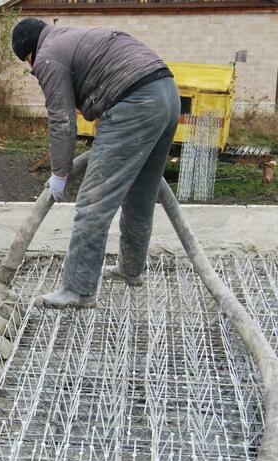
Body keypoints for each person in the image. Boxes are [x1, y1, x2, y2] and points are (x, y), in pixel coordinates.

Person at [11, 18, 180, 308]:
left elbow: (62, 120)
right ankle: (131, 270)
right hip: (166, 95)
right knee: (141, 195)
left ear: (29, 55)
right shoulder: (70, 36)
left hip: (135, 105)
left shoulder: (47, 55)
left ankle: (78, 290)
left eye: (29, 64)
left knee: (93, 201)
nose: (32, 70)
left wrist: (60, 172)